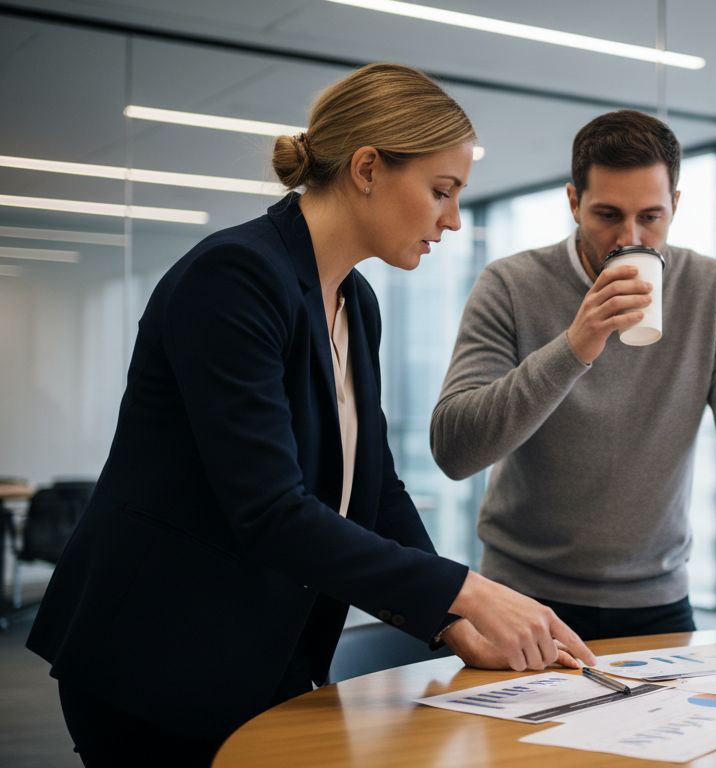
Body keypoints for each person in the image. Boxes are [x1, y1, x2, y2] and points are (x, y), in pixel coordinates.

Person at [26, 63, 594, 766]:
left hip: (262, 652)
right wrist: (469, 591)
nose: (451, 218)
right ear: (366, 169)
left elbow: (374, 489)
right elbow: (269, 509)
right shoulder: (233, 277)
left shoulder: (357, 303)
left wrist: (449, 621)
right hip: (156, 657)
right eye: (440, 191)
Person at [429, 110, 716, 664]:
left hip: (659, 601)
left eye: (650, 216)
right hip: (522, 600)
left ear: (676, 204)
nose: (630, 238)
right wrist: (576, 346)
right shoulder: (510, 285)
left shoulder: (714, 291)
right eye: (607, 214)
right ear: (573, 202)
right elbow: (455, 452)